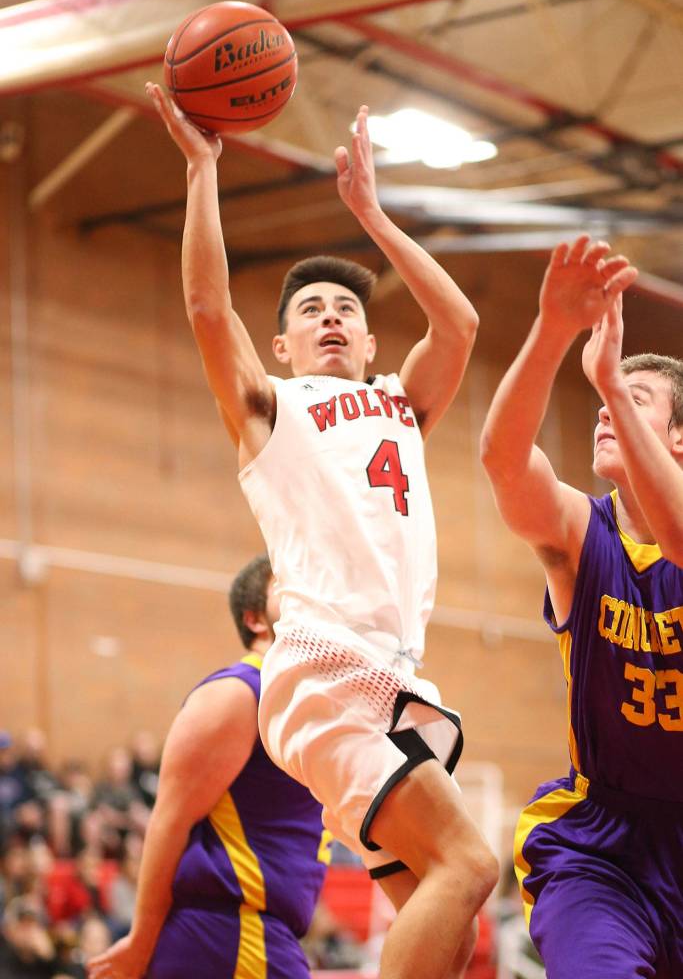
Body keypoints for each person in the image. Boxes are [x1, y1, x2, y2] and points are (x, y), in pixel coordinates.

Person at [143, 82, 498, 979]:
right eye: (310, 312)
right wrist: (201, 172)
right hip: (321, 662)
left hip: (389, 669)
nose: (331, 318)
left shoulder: (399, 405)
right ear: (284, 346)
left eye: (346, 311)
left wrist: (374, 218)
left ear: (372, 343)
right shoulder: (269, 407)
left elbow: (457, 325)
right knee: (471, 864)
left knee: (446, 929)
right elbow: (203, 307)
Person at [480, 235, 683, 977]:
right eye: (601, 401)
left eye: (632, 402)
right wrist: (552, 330)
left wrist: (606, 382)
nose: (605, 411)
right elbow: (503, 460)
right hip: (601, 845)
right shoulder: (578, 531)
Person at [87, 555, 328, 979]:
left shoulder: (306, 702)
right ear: (254, 619)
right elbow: (169, 820)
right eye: (284, 586)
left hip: (259, 936)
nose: (303, 592)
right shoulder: (238, 693)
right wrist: (140, 942)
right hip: (231, 934)